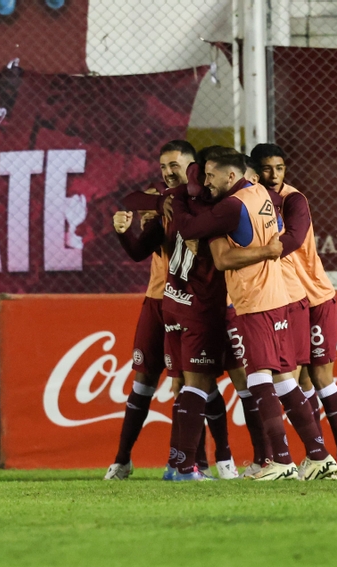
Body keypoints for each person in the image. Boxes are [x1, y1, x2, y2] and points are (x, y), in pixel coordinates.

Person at [174, 148, 337, 480]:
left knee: (259, 377)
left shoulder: (231, 207)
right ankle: (320, 456)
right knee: (281, 378)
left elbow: (194, 234)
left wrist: (180, 198)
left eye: (210, 176)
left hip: (255, 299)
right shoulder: (260, 192)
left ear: (230, 176)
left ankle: (280, 461)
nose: (206, 182)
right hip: (277, 295)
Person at [105, 140, 235, 480]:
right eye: (163, 167)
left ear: (193, 168)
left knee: (197, 382)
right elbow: (136, 217)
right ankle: (123, 461)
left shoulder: (209, 203)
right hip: (158, 300)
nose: (167, 173)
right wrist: (130, 225)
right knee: (145, 379)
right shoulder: (161, 202)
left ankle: (213, 460)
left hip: (196, 300)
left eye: (174, 166)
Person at [249, 143, 337, 479]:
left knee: (320, 377)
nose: (274, 175)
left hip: (316, 297)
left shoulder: (294, 200)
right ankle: (317, 457)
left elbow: (294, 240)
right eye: (268, 168)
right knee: (297, 378)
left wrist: (243, 252)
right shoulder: (255, 201)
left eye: (279, 168)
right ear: (255, 170)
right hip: (289, 300)